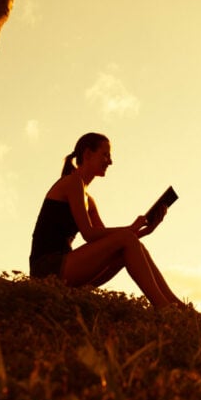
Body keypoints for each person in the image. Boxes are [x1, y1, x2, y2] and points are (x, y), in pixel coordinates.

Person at [29, 132, 186, 309]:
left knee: (132, 244)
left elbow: (109, 244)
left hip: (66, 267)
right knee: (126, 238)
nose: (110, 162)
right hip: (47, 268)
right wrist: (130, 228)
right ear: (87, 154)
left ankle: (178, 305)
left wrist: (144, 231)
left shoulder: (89, 199)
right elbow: (89, 233)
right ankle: (164, 308)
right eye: (105, 155)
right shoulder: (73, 182)